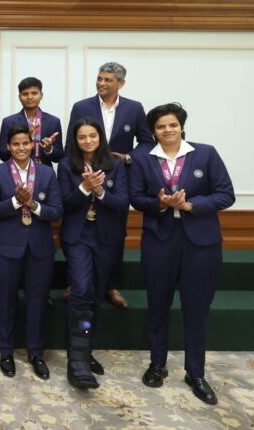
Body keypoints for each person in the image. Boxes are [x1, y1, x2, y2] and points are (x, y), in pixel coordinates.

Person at [130, 103, 234, 405]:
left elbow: (225, 193)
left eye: (172, 125)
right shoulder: (142, 159)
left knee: (197, 308)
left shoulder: (205, 153)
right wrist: (161, 203)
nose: (167, 130)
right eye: (161, 126)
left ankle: (195, 372)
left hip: (200, 244)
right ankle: (157, 364)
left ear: (181, 126)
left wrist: (190, 205)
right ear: (154, 131)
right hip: (159, 240)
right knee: (158, 304)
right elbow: (136, 197)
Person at [66, 62, 155, 309]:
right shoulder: (81, 107)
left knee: (115, 231)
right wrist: (76, 174)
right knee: (77, 227)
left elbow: (147, 143)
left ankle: (111, 285)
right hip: (82, 174)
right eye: (99, 78)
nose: (101, 83)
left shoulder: (134, 109)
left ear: (120, 83)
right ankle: (76, 282)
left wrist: (127, 158)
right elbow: (70, 144)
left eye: (107, 80)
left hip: (118, 178)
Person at [0, 124, 62, 381]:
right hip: (6, 248)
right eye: (15, 144)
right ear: (8, 147)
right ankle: (6, 352)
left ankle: (35, 353)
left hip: (39, 249)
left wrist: (33, 204)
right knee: (5, 301)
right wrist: (17, 201)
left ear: (33, 145)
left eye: (25, 143)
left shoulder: (46, 173)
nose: (20, 148)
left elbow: (56, 211)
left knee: (37, 303)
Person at [57, 118, 128, 389]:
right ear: (75, 140)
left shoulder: (116, 164)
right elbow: (63, 203)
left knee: (96, 295)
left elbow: (122, 202)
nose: (87, 140)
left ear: (100, 138)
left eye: (92, 136)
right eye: (82, 136)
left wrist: (99, 191)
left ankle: (85, 350)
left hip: (106, 238)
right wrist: (84, 188)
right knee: (82, 289)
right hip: (78, 237)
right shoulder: (66, 165)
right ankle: (76, 361)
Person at [0, 77, 63, 165]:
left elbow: (59, 157)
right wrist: (23, 139)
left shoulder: (53, 121)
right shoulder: (8, 122)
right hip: (16, 172)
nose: (30, 97)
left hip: (44, 173)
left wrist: (49, 149)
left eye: (34, 93)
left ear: (41, 95)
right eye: (25, 94)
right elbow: (2, 155)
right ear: (19, 97)